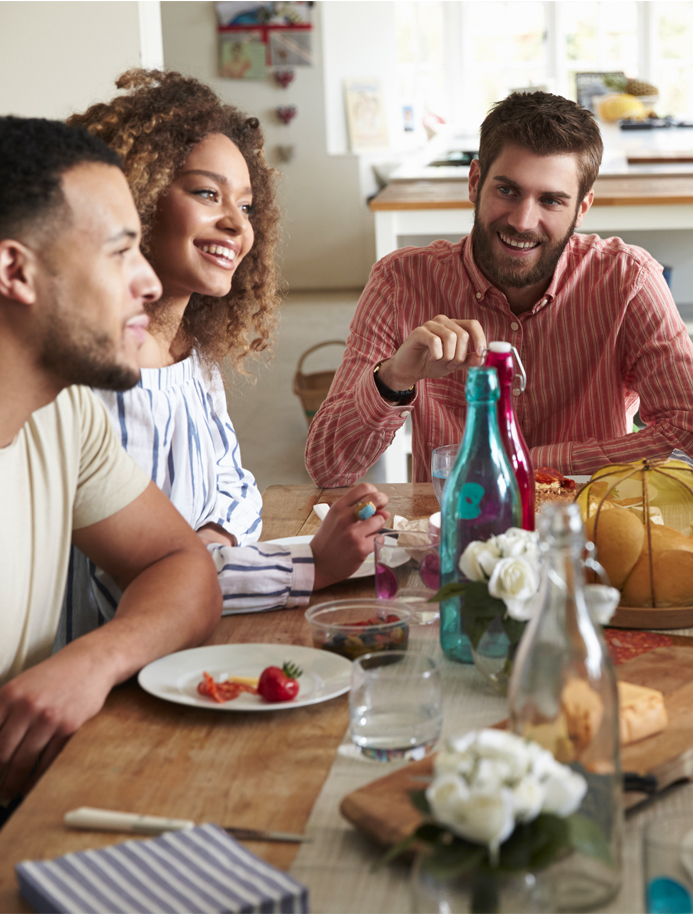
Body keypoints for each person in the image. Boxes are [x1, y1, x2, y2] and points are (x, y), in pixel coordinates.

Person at [59, 69, 388, 645]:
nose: (237, 225)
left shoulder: (194, 354)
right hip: (112, 678)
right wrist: (312, 565)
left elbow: (239, 491)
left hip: (196, 628)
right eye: (207, 193)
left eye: (247, 204)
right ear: (140, 194)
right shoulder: (104, 372)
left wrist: (210, 542)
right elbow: (129, 588)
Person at [0, 115, 222, 809]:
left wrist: (89, 662)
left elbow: (179, 565)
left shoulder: (63, 413)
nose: (150, 283)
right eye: (120, 251)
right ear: (16, 271)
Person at [305, 91, 693, 485]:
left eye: (551, 200)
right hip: (457, 532)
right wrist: (393, 379)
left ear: (582, 207)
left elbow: (687, 434)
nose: (523, 221)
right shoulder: (400, 282)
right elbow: (328, 466)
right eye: (507, 190)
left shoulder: (628, 281)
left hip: (589, 528)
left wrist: (531, 462)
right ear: (475, 182)